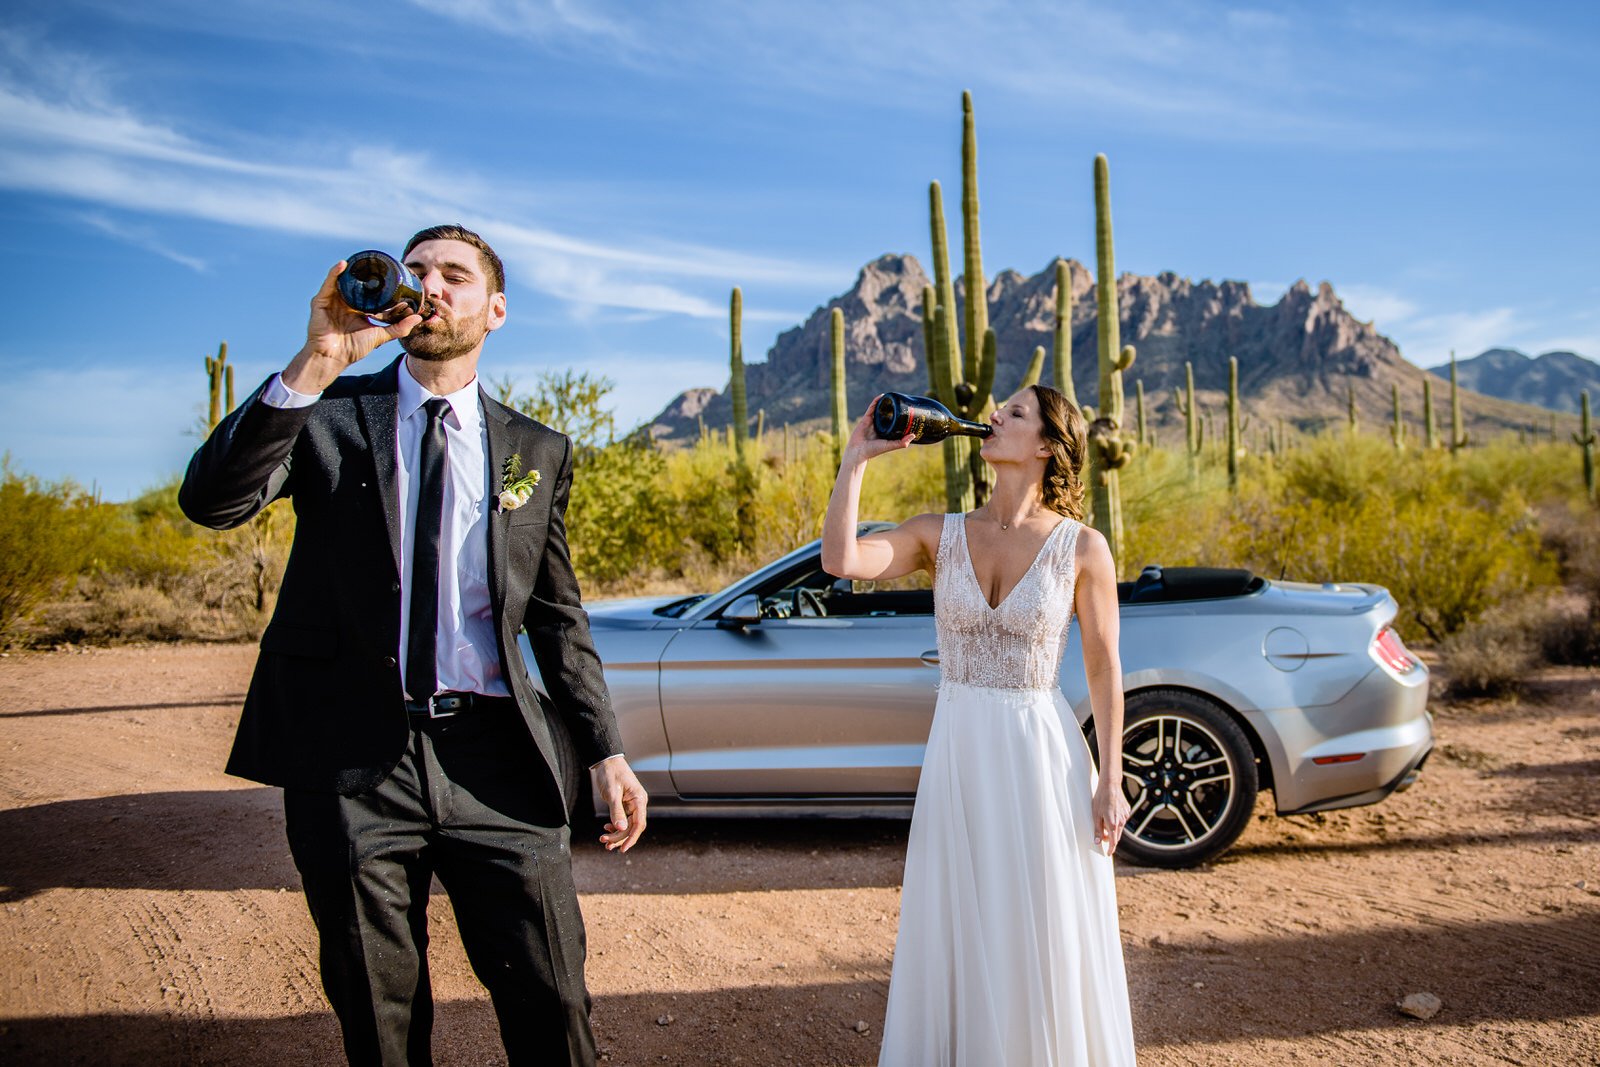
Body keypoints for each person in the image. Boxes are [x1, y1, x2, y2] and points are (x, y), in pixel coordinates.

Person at [179, 224, 648, 1067]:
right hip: (354, 759)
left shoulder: (537, 451)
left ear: (494, 309)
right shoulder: (326, 416)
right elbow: (212, 503)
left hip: (498, 756)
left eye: (454, 276)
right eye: (417, 270)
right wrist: (318, 359)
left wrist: (606, 748)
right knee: (380, 1016)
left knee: (553, 1003)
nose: (430, 287)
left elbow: (557, 613)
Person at [822, 384, 1137, 1065]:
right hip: (960, 750)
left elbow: (1106, 668)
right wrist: (856, 460)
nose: (994, 416)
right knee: (961, 925)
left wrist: (1111, 776)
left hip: (1041, 757)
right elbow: (841, 560)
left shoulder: (1083, 548)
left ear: (1048, 445)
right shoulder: (940, 533)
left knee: (1039, 927)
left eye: (1015, 413)